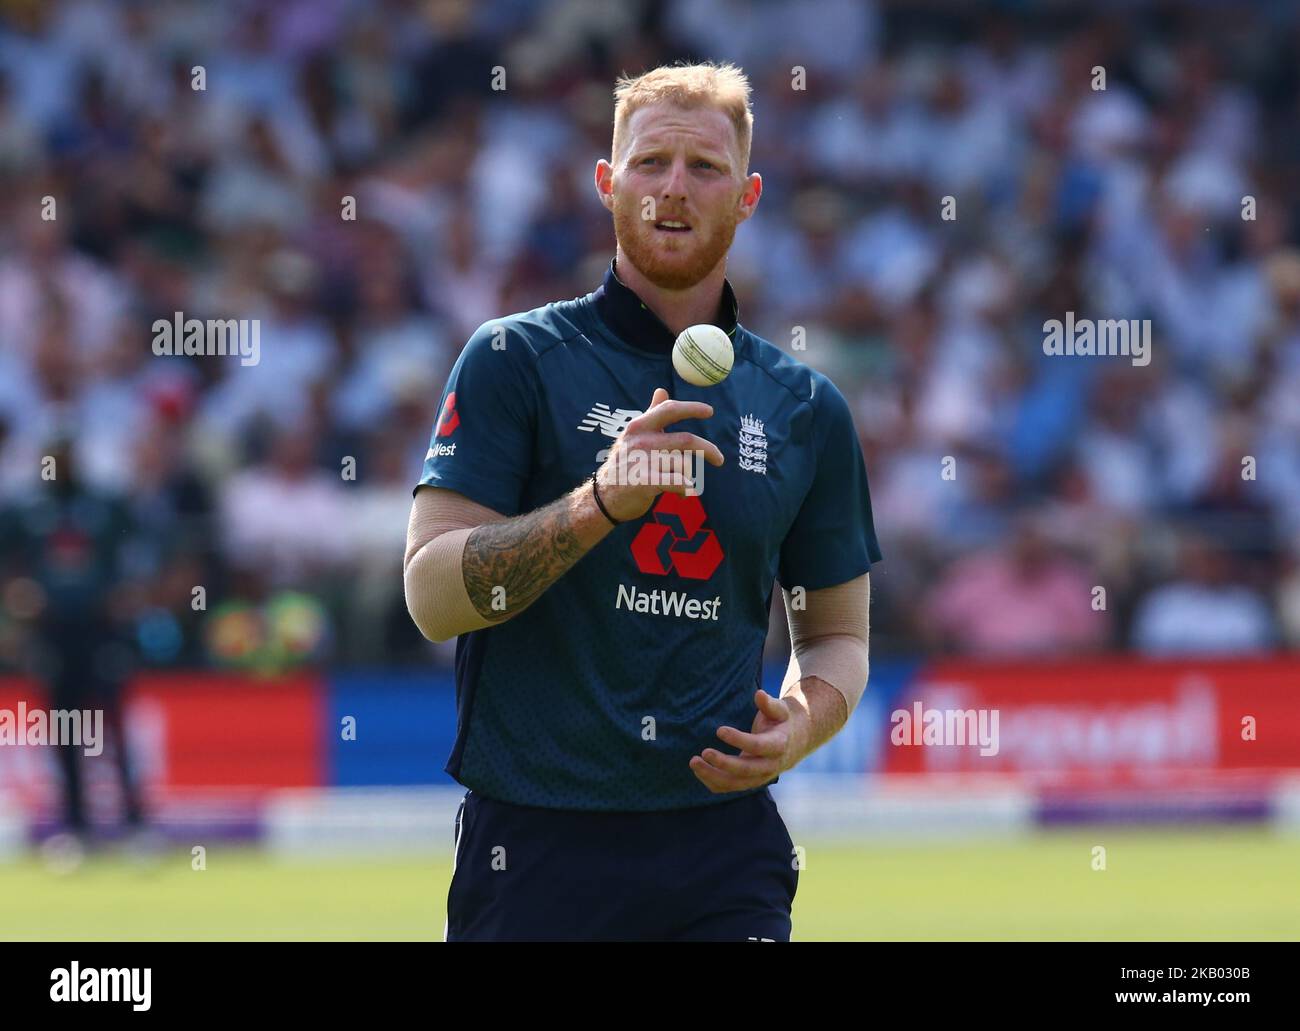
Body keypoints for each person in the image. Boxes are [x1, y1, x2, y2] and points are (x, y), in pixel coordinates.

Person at [404, 62, 881, 941]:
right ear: (606, 183)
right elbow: (432, 597)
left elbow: (838, 635)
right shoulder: (514, 358)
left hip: (723, 851)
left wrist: (804, 724)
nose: (673, 188)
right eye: (650, 161)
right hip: (535, 847)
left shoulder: (807, 407)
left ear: (747, 196)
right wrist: (596, 504)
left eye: (704, 168)